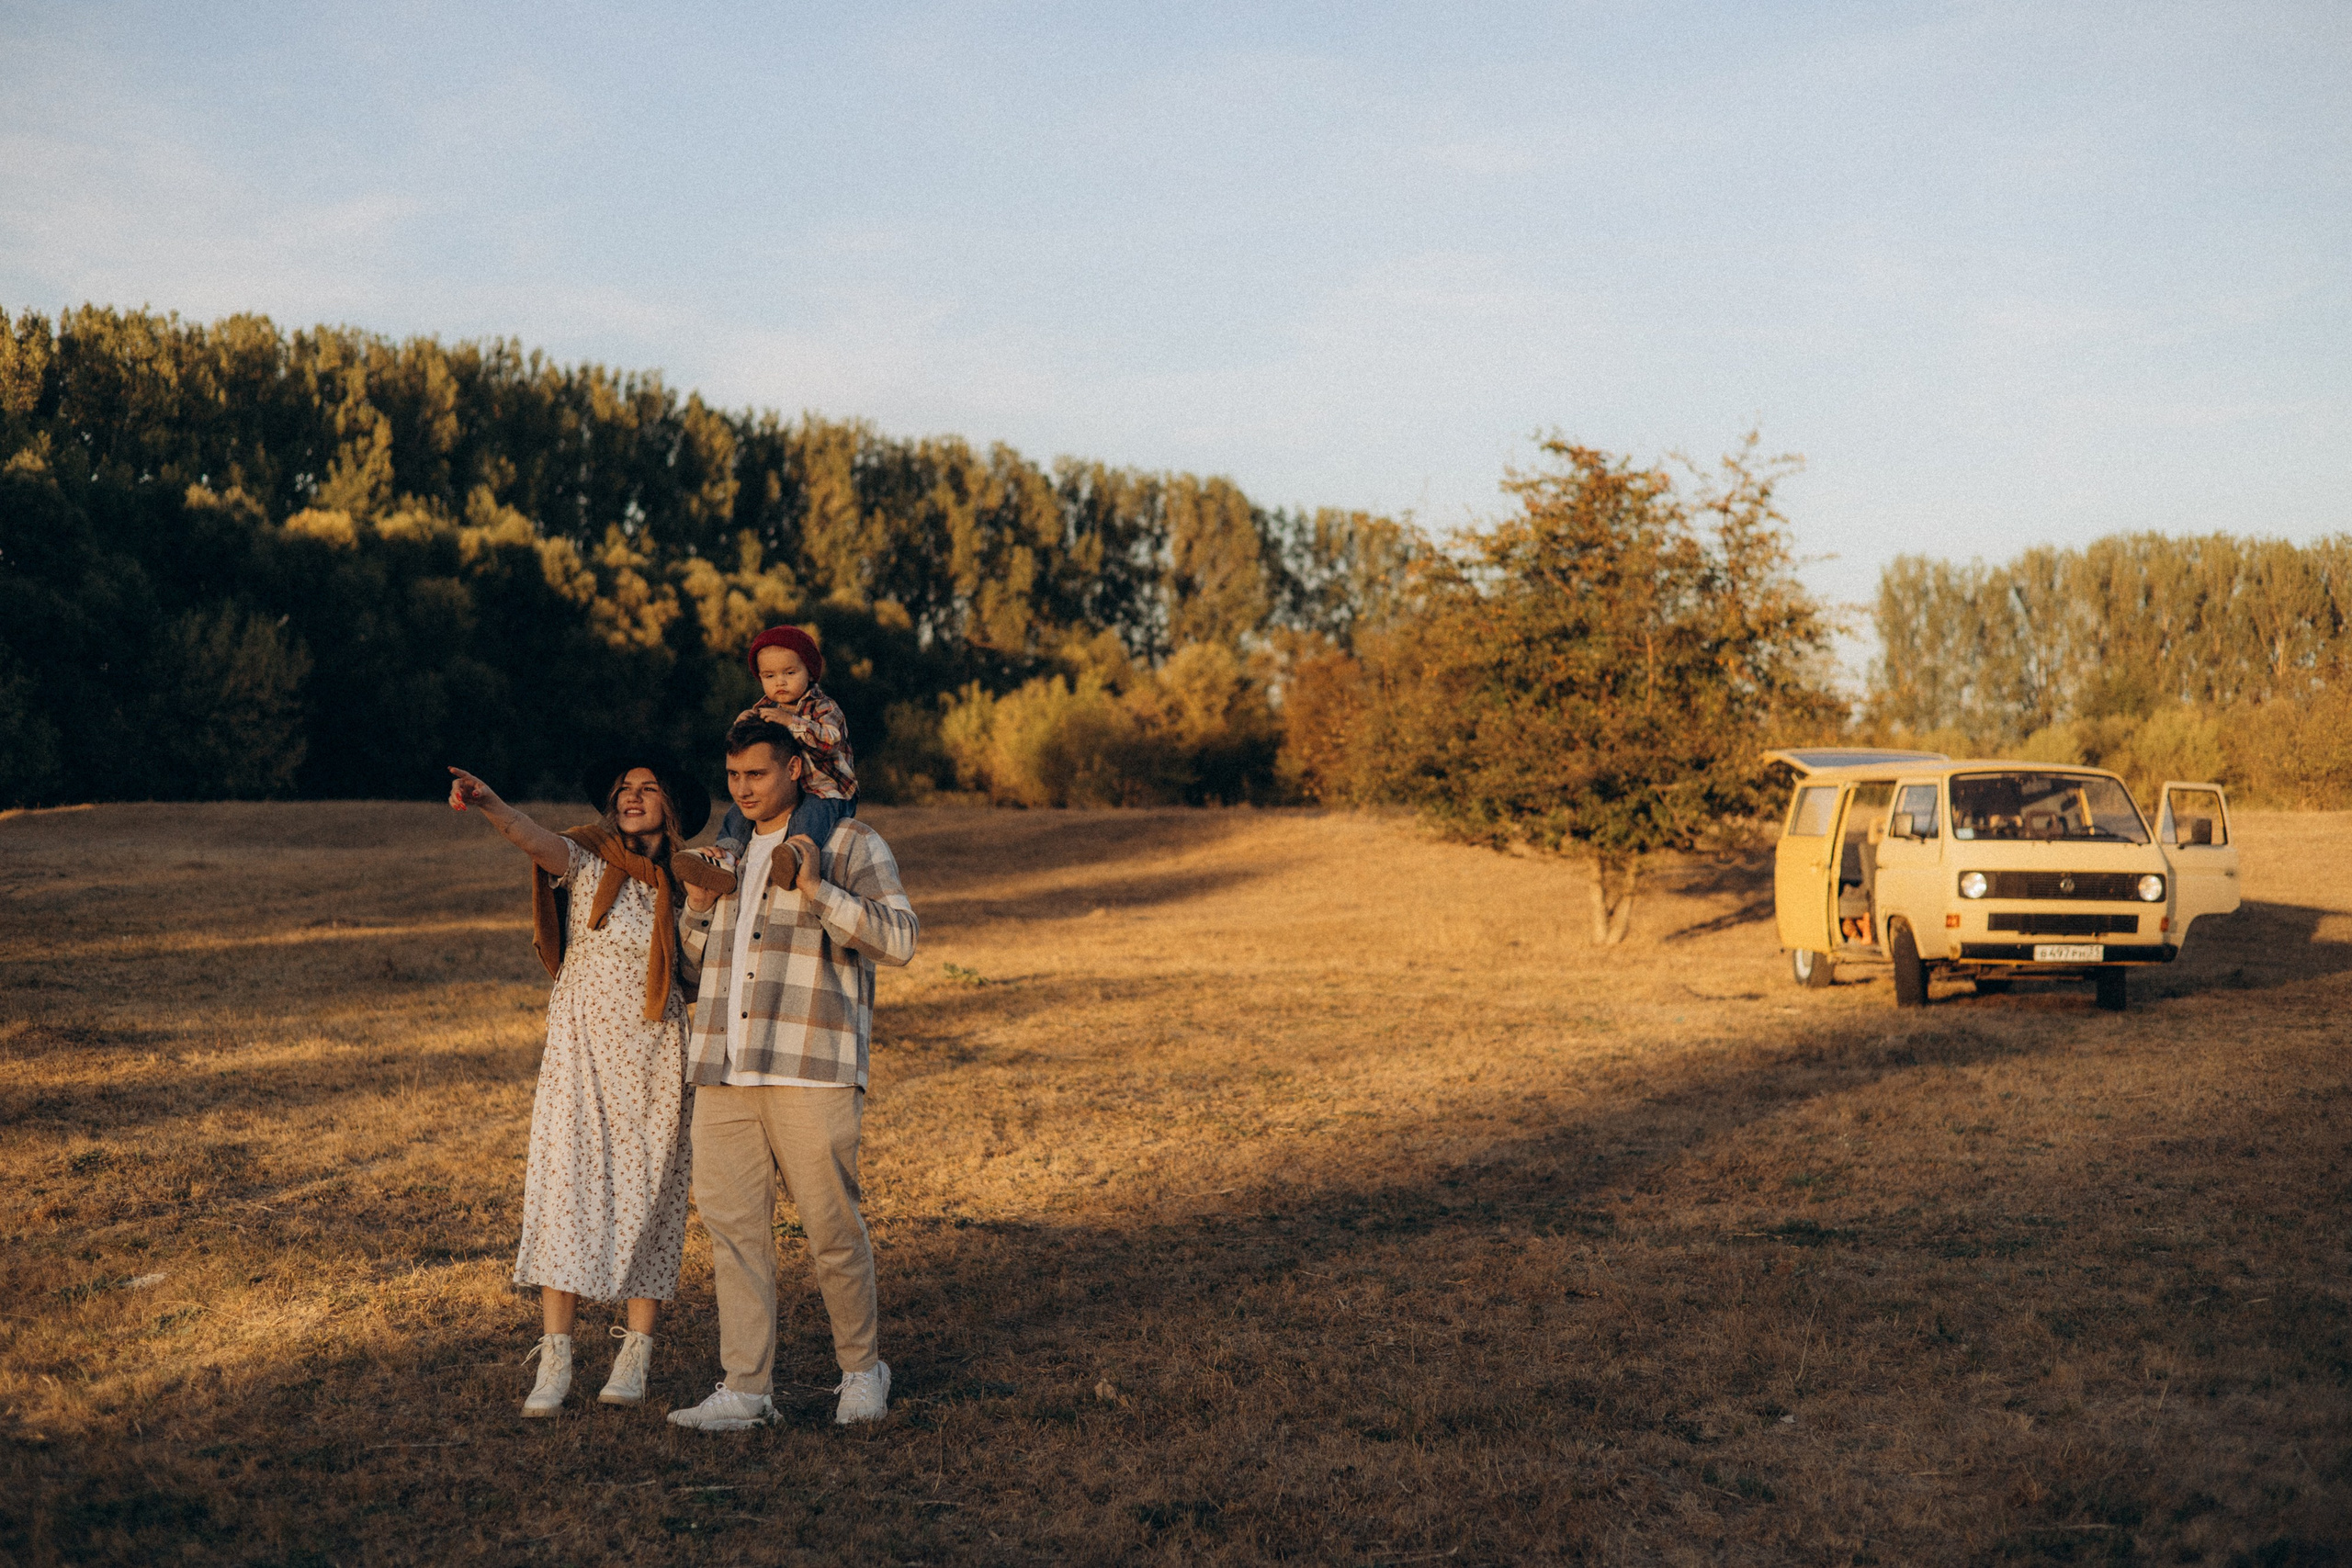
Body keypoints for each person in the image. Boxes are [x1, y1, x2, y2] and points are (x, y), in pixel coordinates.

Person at [446, 750, 734, 1417]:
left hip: (656, 1052)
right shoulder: (589, 858)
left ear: (672, 808)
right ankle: (556, 1356)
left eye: (647, 788)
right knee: (564, 1191)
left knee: (650, 1196)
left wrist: (697, 899)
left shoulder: (689, 878)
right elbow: (535, 839)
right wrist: (491, 804)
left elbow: (698, 972)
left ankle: (636, 1351)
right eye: (623, 788)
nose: (631, 796)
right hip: (580, 1053)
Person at [665, 716, 919, 1431]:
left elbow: (900, 938)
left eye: (758, 774)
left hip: (811, 1067)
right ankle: (747, 1389)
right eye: (734, 776)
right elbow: (693, 967)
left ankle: (863, 1371)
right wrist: (699, 905)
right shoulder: (726, 854)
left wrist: (818, 890)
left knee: (832, 1228)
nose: (743, 789)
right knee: (733, 1231)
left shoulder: (848, 842)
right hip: (722, 1067)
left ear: (796, 772)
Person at [708, 626, 857, 876]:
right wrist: (742, 722)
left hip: (826, 789)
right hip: (783, 790)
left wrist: (790, 722)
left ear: (810, 672)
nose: (780, 682)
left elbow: (831, 740)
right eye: (769, 676)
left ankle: (795, 859)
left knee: (810, 817)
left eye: (789, 672)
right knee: (739, 810)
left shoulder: (823, 706)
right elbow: (748, 746)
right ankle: (724, 858)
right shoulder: (765, 707)